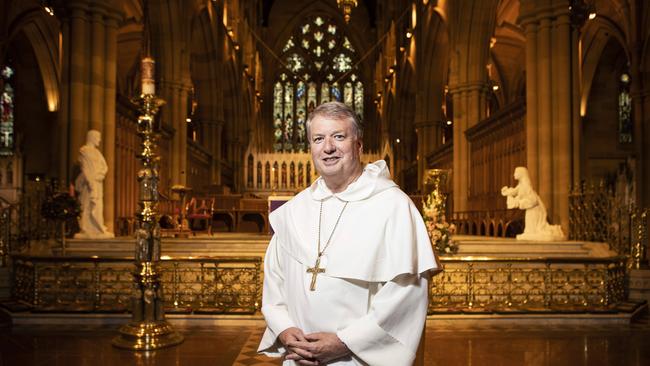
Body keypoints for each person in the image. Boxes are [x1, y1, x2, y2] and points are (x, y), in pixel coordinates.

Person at [258, 101, 440, 365]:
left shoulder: (393, 206)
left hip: (359, 359)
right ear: (311, 147)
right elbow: (274, 279)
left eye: (338, 137)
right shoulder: (294, 210)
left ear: (359, 145)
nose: (328, 147)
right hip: (299, 358)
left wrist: (346, 342)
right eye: (318, 138)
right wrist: (285, 330)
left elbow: (406, 296)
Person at [500, 166, 564, 241]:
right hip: (531, 209)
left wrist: (519, 203)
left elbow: (533, 200)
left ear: (521, 174)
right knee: (529, 230)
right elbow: (514, 192)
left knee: (532, 230)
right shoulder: (521, 185)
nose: (514, 174)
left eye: (516, 172)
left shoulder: (526, 186)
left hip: (535, 209)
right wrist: (506, 192)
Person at [74, 130, 114, 239]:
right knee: (87, 205)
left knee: (98, 207)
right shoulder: (84, 151)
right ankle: (86, 229)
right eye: (98, 138)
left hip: (97, 182)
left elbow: (104, 166)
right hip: (88, 184)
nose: (100, 140)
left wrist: (100, 175)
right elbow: (85, 168)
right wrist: (90, 181)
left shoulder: (97, 153)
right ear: (92, 137)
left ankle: (98, 228)